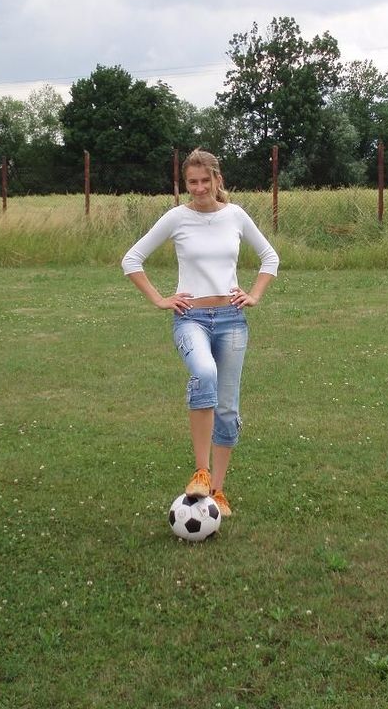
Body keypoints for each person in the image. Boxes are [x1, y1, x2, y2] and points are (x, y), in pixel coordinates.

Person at [121, 149, 279, 517]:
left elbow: (270, 257)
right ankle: (201, 472)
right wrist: (159, 299)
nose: (199, 188)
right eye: (192, 182)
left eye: (205, 180)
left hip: (231, 320)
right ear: (185, 183)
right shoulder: (177, 218)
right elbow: (131, 259)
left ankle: (219, 491)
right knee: (204, 373)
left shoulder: (235, 216)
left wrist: (254, 294)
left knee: (227, 407)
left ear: (217, 179)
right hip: (190, 318)